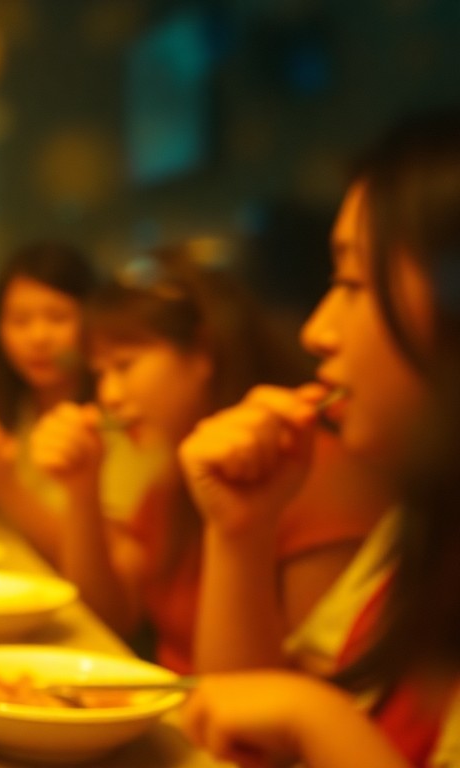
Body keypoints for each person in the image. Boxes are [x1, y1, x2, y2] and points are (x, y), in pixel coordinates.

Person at [180, 110, 460, 767]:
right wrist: (241, 533)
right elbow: (238, 731)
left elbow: (292, 718)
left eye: (355, 284)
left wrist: (319, 724)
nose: (317, 331)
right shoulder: (418, 535)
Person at [30, 243, 388, 674]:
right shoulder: (174, 472)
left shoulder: (315, 476)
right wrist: (81, 487)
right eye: (101, 373)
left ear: (202, 353)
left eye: (124, 366)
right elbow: (108, 618)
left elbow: (301, 694)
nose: (109, 396)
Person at [0, 242, 157, 559]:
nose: (37, 338)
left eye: (58, 318)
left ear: (92, 322)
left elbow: (103, 565)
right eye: (19, 321)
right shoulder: (6, 401)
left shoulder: (116, 414)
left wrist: (3, 485)